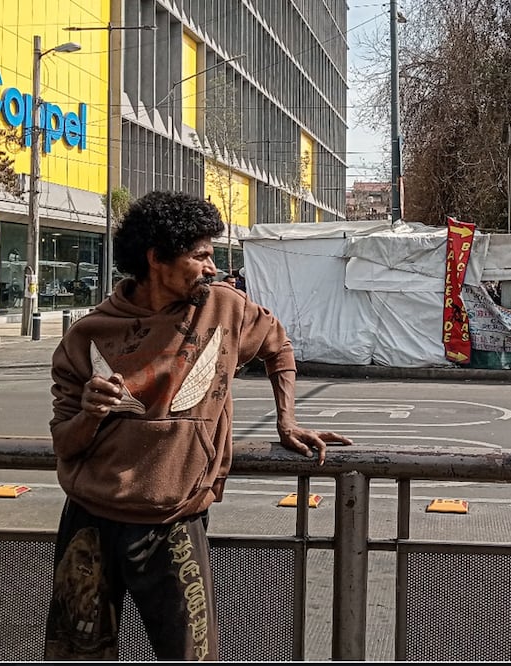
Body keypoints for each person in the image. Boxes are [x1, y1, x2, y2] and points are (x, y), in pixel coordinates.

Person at [44, 191, 354, 660]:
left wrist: (286, 419)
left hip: (173, 521)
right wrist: (89, 411)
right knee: (78, 654)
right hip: (90, 521)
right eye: (200, 255)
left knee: (191, 655)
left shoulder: (224, 308)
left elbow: (277, 345)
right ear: (156, 259)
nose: (212, 267)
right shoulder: (89, 335)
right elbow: (65, 444)